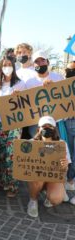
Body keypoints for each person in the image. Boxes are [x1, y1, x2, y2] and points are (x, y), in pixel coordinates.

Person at [0, 56, 26, 197]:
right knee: (1, 153)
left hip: (15, 123)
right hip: (1, 122)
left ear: (13, 66)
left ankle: (12, 185)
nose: (7, 67)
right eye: (4, 65)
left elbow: (24, 105)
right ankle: (2, 182)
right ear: (0, 67)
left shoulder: (20, 84)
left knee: (11, 154)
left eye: (9, 64)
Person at [27, 116, 70, 218]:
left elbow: (65, 168)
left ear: (54, 129)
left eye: (50, 126)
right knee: (37, 177)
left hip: (53, 176)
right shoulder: (31, 143)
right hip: (37, 176)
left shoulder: (62, 144)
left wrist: (65, 165)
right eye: (44, 126)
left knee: (56, 198)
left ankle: (49, 196)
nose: (47, 129)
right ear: (38, 129)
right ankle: (33, 200)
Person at [25, 50, 65, 138]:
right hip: (36, 123)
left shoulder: (58, 77)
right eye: (37, 61)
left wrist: (54, 88)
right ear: (33, 65)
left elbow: (65, 97)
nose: (40, 63)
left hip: (56, 120)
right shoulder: (29, 82)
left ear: (47, 62)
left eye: (43, 60)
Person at [64, 60, 75, 192]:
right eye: (68, 70)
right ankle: (69, 179)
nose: (71, 72)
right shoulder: (63, 85)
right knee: (69, 153)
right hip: (67, 122)